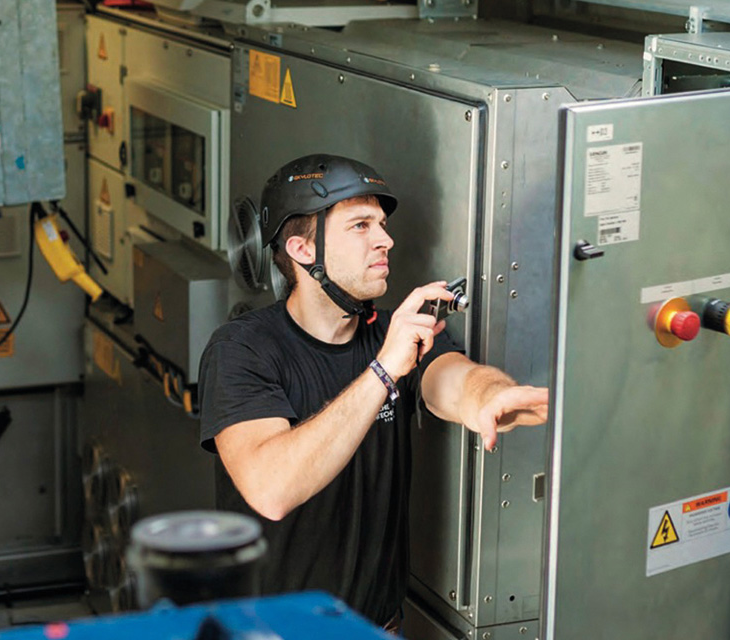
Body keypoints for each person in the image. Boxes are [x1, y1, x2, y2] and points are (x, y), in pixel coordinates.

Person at [198, 154, 549, 631]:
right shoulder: (243, 349)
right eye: (361, 225)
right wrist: (383, 371)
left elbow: (454, 379)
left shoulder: (394, 333)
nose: (386, 240)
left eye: (381, 224)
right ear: (302, 249)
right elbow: (271, 489)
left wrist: (491, 396)